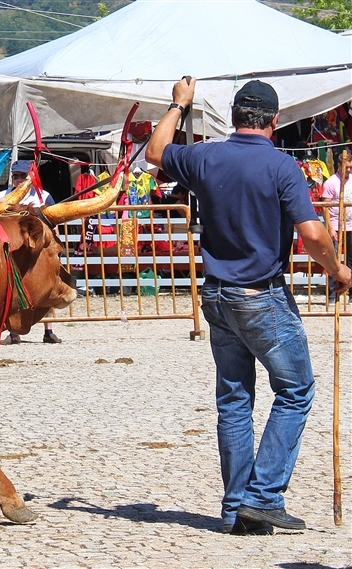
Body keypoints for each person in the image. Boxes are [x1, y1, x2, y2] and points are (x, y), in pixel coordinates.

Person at [146, 78, 351, 536]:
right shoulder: (282, 167)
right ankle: (263, 498)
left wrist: (178, 105)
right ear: (275, 122)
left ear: (236, 117)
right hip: (261, 294)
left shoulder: (205, 156)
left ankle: (237, 508)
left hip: (216, 294)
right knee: (296, 391)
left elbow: (155, 152)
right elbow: (313, 235)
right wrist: (338, 269)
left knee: (235, 400)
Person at [0, 160, 62, 344]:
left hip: (39, 250)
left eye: (22, 176)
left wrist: (55, 246)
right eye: (15, 176)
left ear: (30, 177)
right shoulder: (2, 196)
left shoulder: (43, 196)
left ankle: (48, 330)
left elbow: (54, 224)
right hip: (13, 249)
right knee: (13, 288)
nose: (18, 179)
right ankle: (13, 332)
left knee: (46, 287)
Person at [321, 148, 352, 296]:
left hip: (351, 225)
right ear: (339, 165)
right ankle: (334, 292)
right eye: (347, 167)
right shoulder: (331, 183)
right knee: (333, 260)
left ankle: (351, 292)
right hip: (336, 225)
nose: (349, 170)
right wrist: (330, 228)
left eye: (351, 167)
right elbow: (325, 207)